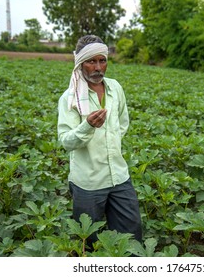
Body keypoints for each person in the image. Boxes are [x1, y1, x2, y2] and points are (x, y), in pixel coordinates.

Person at [57, 35, 142, 249]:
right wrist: (87, 126)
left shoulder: (115, 88)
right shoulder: (70, 98)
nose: (98, 67)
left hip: (119, 176)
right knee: (89, 242)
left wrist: (108, 143)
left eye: (102, 60)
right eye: (91, 61)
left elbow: (122, 123)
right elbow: (66, 142)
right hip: (88, 182)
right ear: (80, 63)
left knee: (131, 238)